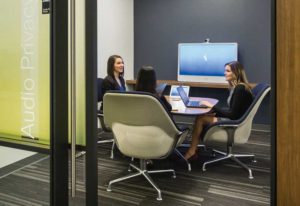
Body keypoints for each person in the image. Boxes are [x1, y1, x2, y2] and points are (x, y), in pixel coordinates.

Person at [184, 61, 254, 161]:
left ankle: (191, 151)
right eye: (225, 70)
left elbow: (232, 114)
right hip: (235, 119)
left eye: (228, 71)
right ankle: (194, 148)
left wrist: (212, 107)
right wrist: (213, 111)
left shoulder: (240, 88)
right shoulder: (239, 87)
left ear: (236, 73)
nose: (225, 73)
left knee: (200, 119)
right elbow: (233, 111)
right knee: (203, 116)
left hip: (234, 123)